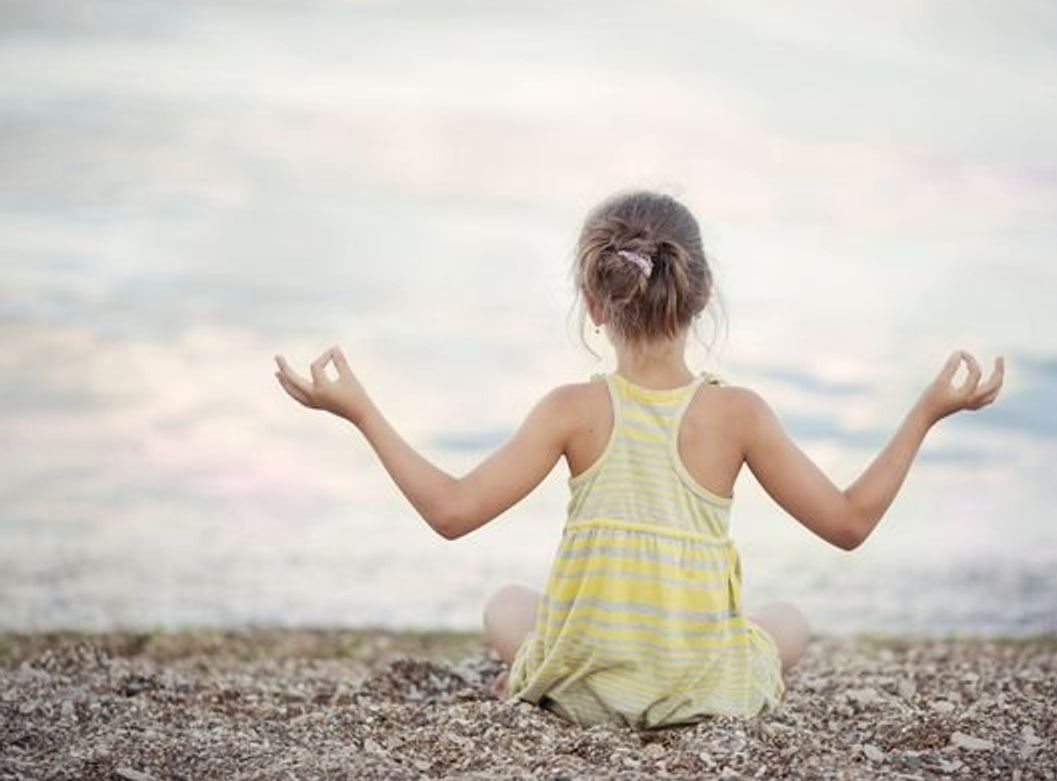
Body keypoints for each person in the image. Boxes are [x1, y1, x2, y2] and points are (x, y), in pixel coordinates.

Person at [273, 189, 1005, 729]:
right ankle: (687, 664)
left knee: (506, 605)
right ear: (702, 294)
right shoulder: (738, 414)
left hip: (585, 688)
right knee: (788, 622)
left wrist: (363, 413)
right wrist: (926, 413)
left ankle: (546, 679)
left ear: (594, 302)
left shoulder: (571, 409)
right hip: (701, 691)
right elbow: (848, 523)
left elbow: (452, 512)